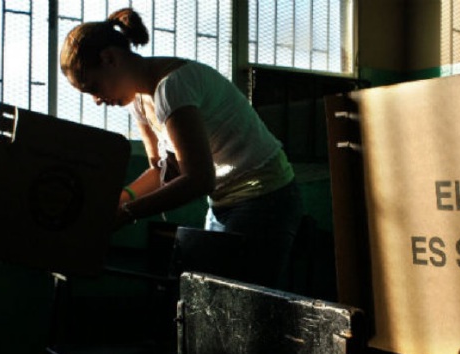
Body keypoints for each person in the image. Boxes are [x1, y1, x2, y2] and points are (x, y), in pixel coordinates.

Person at [60, 7, 304, 290]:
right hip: (225, 203)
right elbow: (162, 171)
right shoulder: (139, 101)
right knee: (209, 305)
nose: (96, 100)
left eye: (92, 87)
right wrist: (120, 200)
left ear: (109, 58)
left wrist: (127, 214)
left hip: (266, 198)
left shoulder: (174, 87)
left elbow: (199, 180)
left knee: (235, 311)